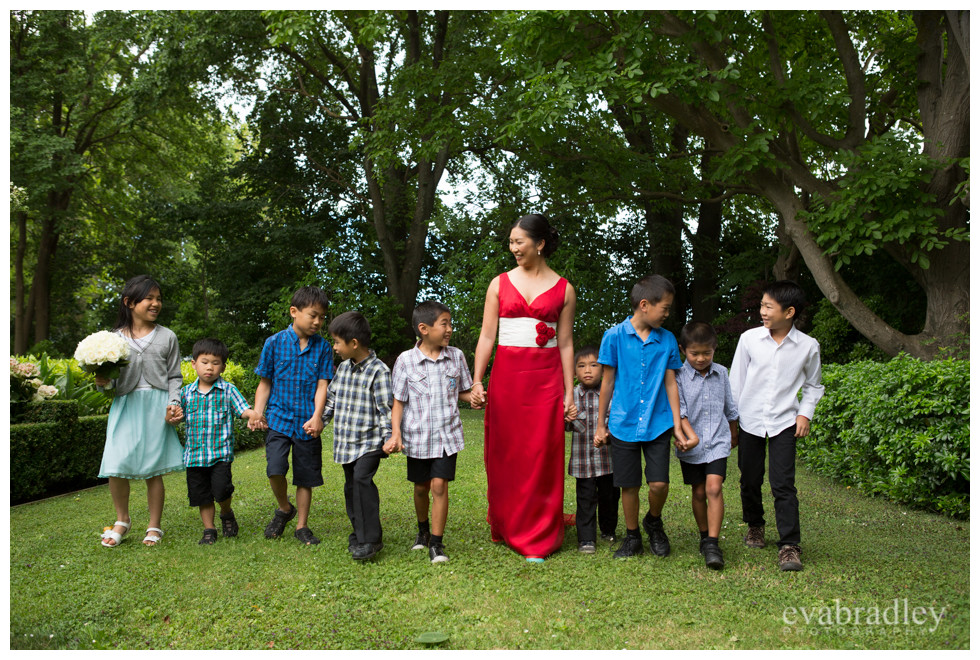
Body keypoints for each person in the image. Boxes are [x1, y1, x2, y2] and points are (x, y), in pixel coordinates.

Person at [471, 213, 577, 562]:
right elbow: (487, 336)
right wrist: (477, 380)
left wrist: (569, 391)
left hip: (546, 380)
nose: (513, 248)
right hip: (508, 380)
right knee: (508, 452)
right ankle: (507, 520)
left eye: (519, 242)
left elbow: (565, 344)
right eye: (511, 242)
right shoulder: (499, 284)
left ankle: (539, 533)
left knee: (541, 453)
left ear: (540, 244)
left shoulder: (565, 289)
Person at [594, 274, 695, 559]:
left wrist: (677, 425)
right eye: (665, 308)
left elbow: (671, 383)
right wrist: (600, 425)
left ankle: (653, 521)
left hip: (658, 423)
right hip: (623, 423)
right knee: (629, 485)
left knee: (659, 483)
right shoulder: (613, 336)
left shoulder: (667, 339)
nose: (667, 314)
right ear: (644, 305)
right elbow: (607, 383)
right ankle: (633, 537)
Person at [730, 280, 824, 572]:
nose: (763, 311)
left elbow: (814, 386)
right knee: (749, 478)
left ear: (789, 312)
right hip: (750, 419)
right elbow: (736, 382)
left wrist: (805, 414)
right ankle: (755, 525)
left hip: (785, 421)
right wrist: (732, 422)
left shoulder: (808, 346)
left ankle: (789, 545)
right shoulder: (749, 339)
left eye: (769, 307)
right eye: (762, 305)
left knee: (783, 483)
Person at [96, 274, 185, 548]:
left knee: (152, 468)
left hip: (157, 407)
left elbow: (175, 376)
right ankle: (122, 520)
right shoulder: (112, 340)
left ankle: (154, 525)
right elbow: (108, 384)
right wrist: (102, 381)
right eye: (149, 298)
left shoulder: (167, 336)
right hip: (126, 404)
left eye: (158, 298)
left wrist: (174, 402)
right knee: (116, 463)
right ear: (129, 302)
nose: (155, 303)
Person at [384, 301, 476, 564]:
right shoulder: (406, 361)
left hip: (447, 436)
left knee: (439, 485)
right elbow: (399, 401)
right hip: (418, 437)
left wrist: (474, 397)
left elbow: (462, 391)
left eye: (450, 323)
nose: (450, 329)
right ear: (424, 328)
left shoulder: (456, 356)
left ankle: (436, 543)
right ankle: (423, 530)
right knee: (421, 488)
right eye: (444, 324)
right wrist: (396, 433)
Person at [250, 285, 334, 545]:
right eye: (313, 315)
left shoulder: (323, 348)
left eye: (322, 317)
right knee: (275, 469)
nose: (318, 322)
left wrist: (318, 416)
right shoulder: (273, 343)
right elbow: (265, 382)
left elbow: (322, 385)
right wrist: (258, 412)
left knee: (305, 476)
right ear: (294, 312)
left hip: (307, 422)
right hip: (278, 419)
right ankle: (285, 508)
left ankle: (302, 526)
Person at [323, 311, 394, 561]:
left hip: (369, 442)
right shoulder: (343, 369)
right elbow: (331, 400)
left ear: (353, 343)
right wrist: (319, 422)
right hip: (346, 443)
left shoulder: (379, 371)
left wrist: (389, 437)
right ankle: (359, 533)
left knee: (362, 481)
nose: (334, 347)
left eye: (337, 342)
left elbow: (386, 408)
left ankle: (371, 539)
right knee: (351, 487)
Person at [175, 338, 261, 545]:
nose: (209, 368)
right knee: (201, 495)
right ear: (194, 364)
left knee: (222, 490)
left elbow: (242, 409)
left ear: (222, 367)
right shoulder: (186, 393)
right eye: (204, 362)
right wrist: (172, 417)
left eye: (215, 363)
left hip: (220, 454)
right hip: (194, 457)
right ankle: (209, 529)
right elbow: (176, 417)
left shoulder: (228, 390)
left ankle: (226, 512)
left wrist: (252, 414)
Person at [675, 322, 739, 570]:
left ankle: (712, 543)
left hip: (718, 441)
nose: (701, 359)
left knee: (714, 488)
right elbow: (679, 412)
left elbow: (729, 406)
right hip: (691, 445)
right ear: (683, 350)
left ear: (714, 349)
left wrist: (733, 433)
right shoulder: (678, 376)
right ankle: (704, 535)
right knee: (699, 492)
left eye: (707, 353)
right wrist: (685, 437)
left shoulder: (721, 373)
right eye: (694, 353)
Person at [566, 345, 619, 554]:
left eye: (593, 365)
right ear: (574, 372)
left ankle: (608, 529)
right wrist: (566, 418)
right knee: (585, 500)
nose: (587, 370)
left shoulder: (612, 395)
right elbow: (565, 426)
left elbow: (617, 423)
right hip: (583, 463)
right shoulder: (572, 397)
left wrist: (608, 435)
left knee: (609, 497)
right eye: (581, 366)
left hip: (608, 461)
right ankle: (586, 538)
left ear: (604, 370)